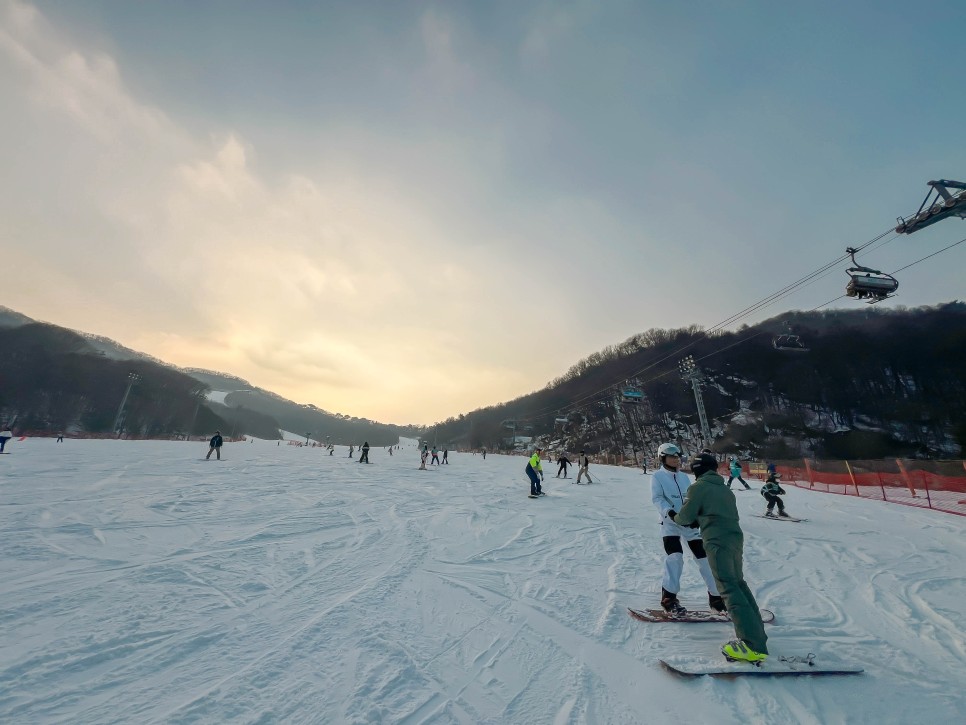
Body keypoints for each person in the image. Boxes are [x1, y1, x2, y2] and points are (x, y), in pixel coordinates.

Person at [671, 452, 768, 664]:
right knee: (739, 584)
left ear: (697, 470)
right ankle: (757, 635)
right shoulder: (724, 488)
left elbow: (685, 517)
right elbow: (717, 513)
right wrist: (702, 519)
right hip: (734, 540)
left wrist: (674, 516)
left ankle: (752, 645)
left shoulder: (698, 487)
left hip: (716, 543)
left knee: (728, 589)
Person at [651, 443, 724, 615]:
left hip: (688, 524)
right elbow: (657, 498)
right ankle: (669, 599)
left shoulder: (684, 477)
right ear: (662, 458)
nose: (676, 459)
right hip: (670, 525)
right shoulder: (658, 476)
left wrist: (696, 516)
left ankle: (716, 599)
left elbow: (691, 499)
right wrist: (669, 512)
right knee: (675, 558)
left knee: (704, 559)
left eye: (678, 456)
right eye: (672, 456)